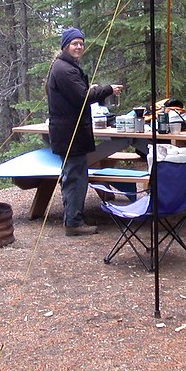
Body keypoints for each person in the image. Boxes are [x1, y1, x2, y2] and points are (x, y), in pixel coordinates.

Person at [46, 27, 123, 236]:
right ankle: (73, 223)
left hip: (70, 131)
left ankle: (73, 218)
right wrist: (107, 90)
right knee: (75, 176)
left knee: (75, 174)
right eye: (74, 43)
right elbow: (81, 98)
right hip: (70, 132)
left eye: (81, 43)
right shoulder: (64, 69)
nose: (78, 46)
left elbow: (77, 94)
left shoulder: (66, 67)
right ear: (65, 46)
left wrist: (91, 89)